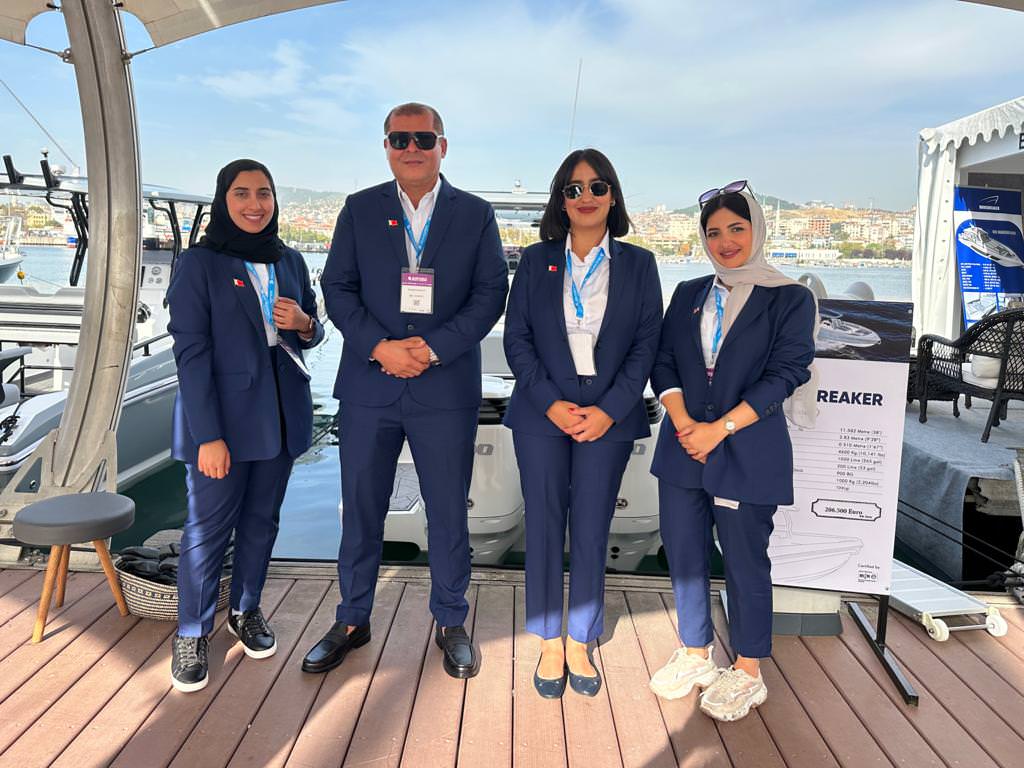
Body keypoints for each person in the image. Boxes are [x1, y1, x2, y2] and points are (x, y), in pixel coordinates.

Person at [304, 103, 508, 678]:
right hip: (371, 384)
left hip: (445, 387)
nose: (411, 147)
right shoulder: (359, 208)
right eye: (399, 139)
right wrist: (380, 347)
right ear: (386, 146)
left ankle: (450, 619)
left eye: (422, 138)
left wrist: (433, 348)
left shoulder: (475, 213)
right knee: (361, 509)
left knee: (448, 511)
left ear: (443, 145)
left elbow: (491, 293)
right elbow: (337, 286)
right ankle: (351, 618)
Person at [647, 182, 816, 721]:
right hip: (682, 448)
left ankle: (747, 668)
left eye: (736, 229)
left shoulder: (789, 297)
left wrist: (718, 429)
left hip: (746, 448)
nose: (725, 241)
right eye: (714, 232)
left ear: (757, 230)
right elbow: (664, 362)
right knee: (685, 555)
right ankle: (696, 653)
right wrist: (683, 423)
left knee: (745, 561)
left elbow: (787, 373)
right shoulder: (689, 292)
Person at [503, 149, 662, 698]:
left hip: (607, 416)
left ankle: (580, 637)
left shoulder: (640, 265)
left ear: (612, 196)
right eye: (573, 189)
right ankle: (549, 639)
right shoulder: (534, 260)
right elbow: (516, 340)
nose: (586, 196)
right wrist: (549, 402)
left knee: (592, 526)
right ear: (561, 201)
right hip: (542, 413)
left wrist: (610, 409)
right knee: (544, 522)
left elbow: (646, 346)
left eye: (597, 187)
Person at [167, 159, 324, 693]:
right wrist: (207, 435)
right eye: (242, 194)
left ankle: (246, 609)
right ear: (223, 199)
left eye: (264, 193)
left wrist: (304, 324)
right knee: (207, 530)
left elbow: (311, 331)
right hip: (223, 426)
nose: (255, 204)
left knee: (262, 522)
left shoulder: (291, 260)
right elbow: (190, 354)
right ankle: (192, 630)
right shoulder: (200, 264)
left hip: (279, 419)